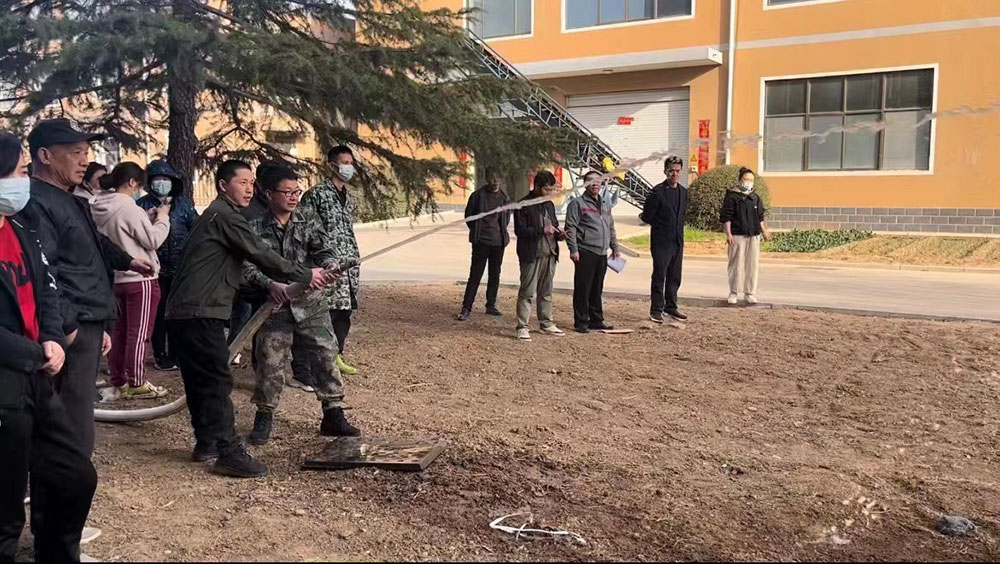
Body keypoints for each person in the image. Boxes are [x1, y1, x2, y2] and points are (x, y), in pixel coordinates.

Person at [165, 159, 331, 478]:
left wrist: (277, 284)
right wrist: (305, 274)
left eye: (251, 183)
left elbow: (237, 266)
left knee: (200, 379)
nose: (249, 189)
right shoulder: (226, 216)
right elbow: (260, 253)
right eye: (242, 182)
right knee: (216, 379)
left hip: (187, 311)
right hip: (199, 311)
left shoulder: (217, 215)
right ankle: (228, 451)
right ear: (223, 186)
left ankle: (207, 443)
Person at [25, 118, 154, 459]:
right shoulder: (37, 202)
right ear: (45, 156)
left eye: (86, 152)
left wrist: (128, 261)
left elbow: (94, 243)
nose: (85, 161)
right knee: (71, 414)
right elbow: (44, 270)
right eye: (75, 152)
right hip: (72, 322)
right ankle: (66, 477)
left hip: (89, 316)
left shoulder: (71, 199)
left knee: (77, 408)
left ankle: (68, 474)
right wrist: (68, 326)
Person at [0, 131, 97, 563]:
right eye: (18, 172)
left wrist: (53, 337)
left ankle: (57, 553)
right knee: (5, 507)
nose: (24, 181)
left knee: (74, 475)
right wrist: (36, 354)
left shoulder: (20, 225)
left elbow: (47, 287)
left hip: (36, 376)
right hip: (8, 379)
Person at [243, 163, 359, 446]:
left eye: (297, 191)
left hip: (310, 303)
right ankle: (264, 415)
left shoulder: (308, 219)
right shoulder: (253, 227)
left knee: (325, 355)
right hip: (275, 306)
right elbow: (246, 266)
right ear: (268, 194)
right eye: (287, 192)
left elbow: (324, 249)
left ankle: (333, 413)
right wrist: (270, 284)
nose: (294, 197)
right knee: (270, 362)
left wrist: (329, 265)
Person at [91, 162, 170, 398]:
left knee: (119, 332)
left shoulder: (97, 205)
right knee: (139, 332)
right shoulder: (128, 206)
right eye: (139, 186)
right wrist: (162, 219)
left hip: (115, 278)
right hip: (140, 276)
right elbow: (152, 239)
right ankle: (137, 381)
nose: (139, 191)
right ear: (132, 182)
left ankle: (119, 379)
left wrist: (145, 218)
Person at [297, 146, 362, 377]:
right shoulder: (316, 195)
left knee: (344, 313)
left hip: (348, 266)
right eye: (344, 162)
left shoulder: (348, 197)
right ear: (332, 165)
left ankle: (336, 354)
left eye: (351, 163)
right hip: (325, 266)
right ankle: (314, 361)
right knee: (324, 313)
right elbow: (303, 230)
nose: (348, 167)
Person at [137, 159, 198, 371]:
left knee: (179, 314)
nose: (162, 182)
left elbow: (196, 230)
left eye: (166, 178)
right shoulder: (142, 205)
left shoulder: (184, 205)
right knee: (158, 313)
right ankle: (160, 354)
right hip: (155, 268)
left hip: (181, 268)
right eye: (157, 178)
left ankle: (177, 353)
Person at [565, 170, 620, 334]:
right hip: (586, 251)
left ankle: (596, 320)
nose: (595, 183)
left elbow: (610, 226)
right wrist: (573, 249)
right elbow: (570, 227)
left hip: (602, 252)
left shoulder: (605, 203)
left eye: (598, 180)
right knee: (583, 288)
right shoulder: (577, 204)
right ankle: (581, 321)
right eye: (590, 180)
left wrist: (615, 246)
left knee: (597, 289)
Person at [513, 171, 565, 341]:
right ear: (536, 186)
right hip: (531, 254)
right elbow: (520, 231)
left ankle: (546, 323)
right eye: (546, 189)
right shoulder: (523, 204)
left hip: (550, 253)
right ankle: (522, 326)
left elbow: (553, 225)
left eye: (552, 190)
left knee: (546, 291)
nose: (549, 193)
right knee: (527, 292)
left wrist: (559, 234)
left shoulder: (549, 204)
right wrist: (542, 230)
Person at [457, 167, 510, 321]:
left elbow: (506, 219)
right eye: (492, 178)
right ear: (486, 179)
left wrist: (501, 235)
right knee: (475, 275)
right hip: (481, 242)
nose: (495, 181)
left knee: (495, 274)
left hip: (498, 243)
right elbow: (469, 217)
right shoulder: (477, 196)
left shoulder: (504, 198)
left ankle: (491, 304)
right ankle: (466, 307)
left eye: (498, 178)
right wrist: (477, 231)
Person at [641, 155, 688, 324]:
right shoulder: (657, 192)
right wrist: (661, 225)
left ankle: (671, 307)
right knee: (660, 275)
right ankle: (656, 310)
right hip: (661, 242)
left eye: (677, 171)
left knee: (675, 276)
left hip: (677, 241)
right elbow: (647, 216)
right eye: (671, 171)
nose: (674, 174)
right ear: (665, 171)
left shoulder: (683, 192)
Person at [720, 167, 770, 305]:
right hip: (737, 235)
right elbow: (727, 217)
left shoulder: (755, 197)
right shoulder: (732, 196)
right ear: (740, 180)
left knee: (752, 265)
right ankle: (734, 292)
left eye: (751, 180)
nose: (748, 182)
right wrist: (728, 234)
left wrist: (764, 231)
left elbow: (760, 217)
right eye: (746, 179)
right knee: (736, 265)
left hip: (753, 235)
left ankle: (750, 293)